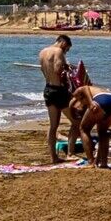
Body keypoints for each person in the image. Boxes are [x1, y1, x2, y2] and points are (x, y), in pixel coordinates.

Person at [37, 29, 75, 160]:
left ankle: (54, 157)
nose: (66, 52)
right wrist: (67, 66)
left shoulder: (42, 52)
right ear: (63, 42)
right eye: (67, 49)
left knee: (53, 126)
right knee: (76, 121)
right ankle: (70, 153)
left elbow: (44, 70)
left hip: (48, 89)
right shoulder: (58, 51)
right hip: (59, 91)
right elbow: (57, 69)